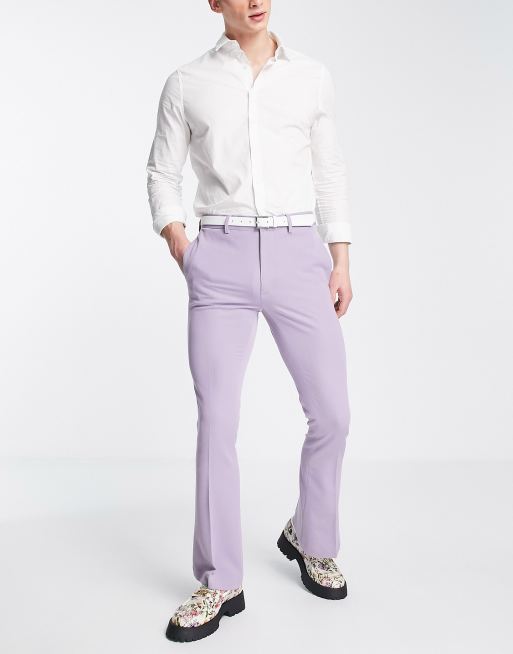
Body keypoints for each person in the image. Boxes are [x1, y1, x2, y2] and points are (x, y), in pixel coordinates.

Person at [146, 0, 353, 643]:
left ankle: (311, 536)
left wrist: (340, 258)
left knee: (333, 413)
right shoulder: (187, 82)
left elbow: (328, 171)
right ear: (214, 2)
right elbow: (161, 172)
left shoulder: (311, 76)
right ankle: (219, 580)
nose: (256, 0)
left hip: (299, 255)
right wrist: (183, 246)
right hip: (222, 257)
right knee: (218, 422)